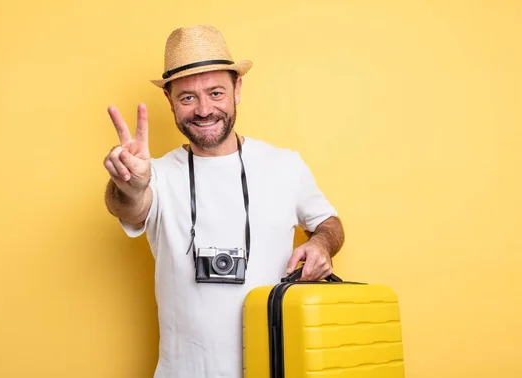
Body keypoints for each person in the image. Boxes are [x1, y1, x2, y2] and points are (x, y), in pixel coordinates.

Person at [103, 25, 345, 378]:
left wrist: (322, 244)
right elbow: (128, 207)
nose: (204, 109)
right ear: (169, 101)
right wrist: (128, 184)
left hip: (275, 367)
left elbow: (329, 222)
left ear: (237, 90)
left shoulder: (285, 165)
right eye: (187, 98)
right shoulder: (156, 173)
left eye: (216, 93)